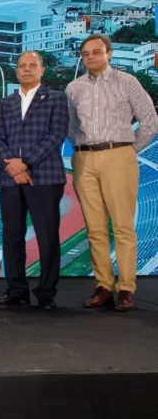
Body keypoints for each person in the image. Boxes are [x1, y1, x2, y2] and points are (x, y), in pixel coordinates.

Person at [66, 34, 158, 311]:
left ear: (109, 53)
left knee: (122, 226)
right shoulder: (73, 88)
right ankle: (103, 286)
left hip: (119, 155)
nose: (90, 57)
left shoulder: (127, 82)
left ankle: (127, 288)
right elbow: (71, 127)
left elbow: (149, 120)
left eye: (96, 52)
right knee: (94, 229)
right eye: (85, 53)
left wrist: (129, 151)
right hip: (84, 158)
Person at [0, 51, 69, 310]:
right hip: (10, 178)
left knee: (47, 237)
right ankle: (17, 290)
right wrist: (14, 166)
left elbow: (56, 135)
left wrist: (26, 162)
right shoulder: (5, 103)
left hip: (44, 177)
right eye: (22, 66)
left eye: (32, 65)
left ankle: (46, 293)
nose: (26, 70)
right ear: (16, 70)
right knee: (11, 236)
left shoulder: (56, 99)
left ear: (42, 70)